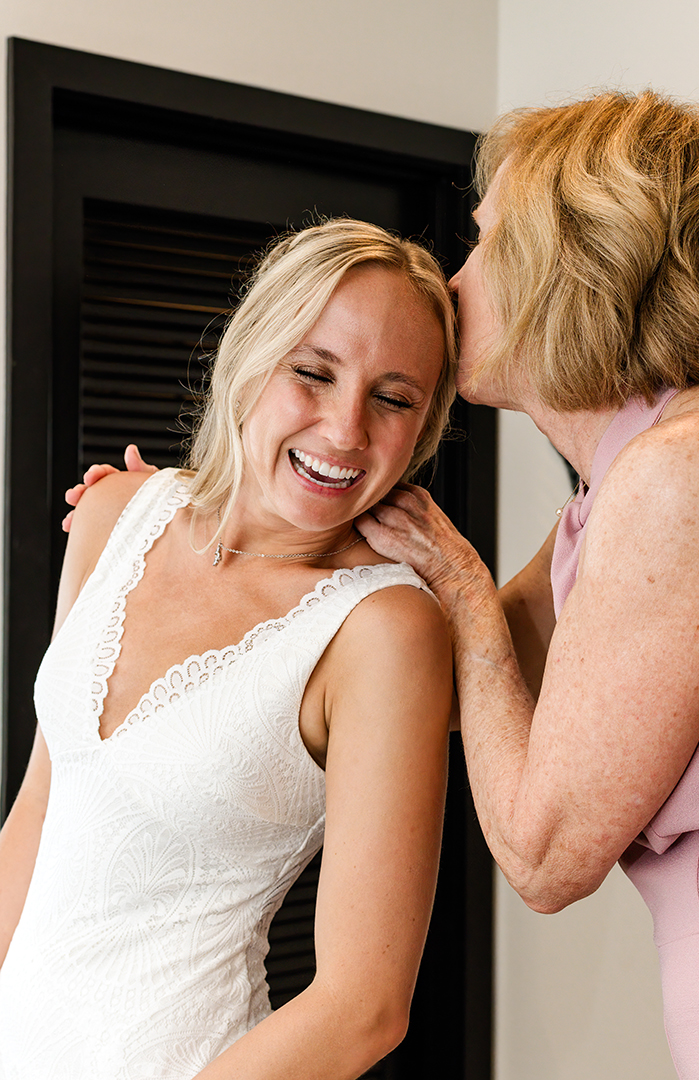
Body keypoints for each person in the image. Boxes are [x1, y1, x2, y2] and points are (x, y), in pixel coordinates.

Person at [354, 91, 699, 1078]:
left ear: (572, 259)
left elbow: (544, 853)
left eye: (483, 240)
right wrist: (202, 526)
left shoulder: (698, 475)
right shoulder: (638, 475)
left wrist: (458, 580)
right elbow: (464, 686)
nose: (453, 285)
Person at [0, 220, 456, 1080]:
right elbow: (38, 817)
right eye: (313, 373)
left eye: (394, 399)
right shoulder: (113, 515)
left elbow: (364, 1008)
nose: (346, 429)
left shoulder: (385, 632)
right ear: (248, 358)